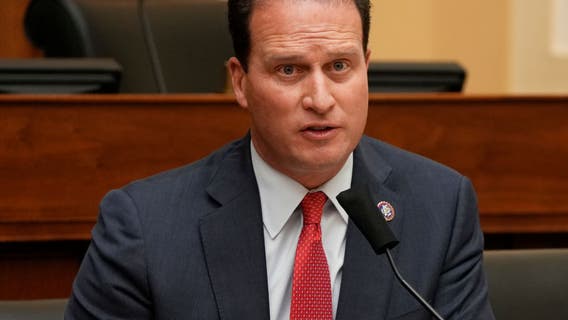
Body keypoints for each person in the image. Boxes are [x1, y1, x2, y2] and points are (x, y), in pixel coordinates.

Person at [65, 0, 495, 319]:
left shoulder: (440, 208)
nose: (321, 99)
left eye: (340, 66)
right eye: (289, 70)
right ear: (240, 81)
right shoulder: (144, 229)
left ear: (366, 68)